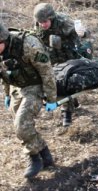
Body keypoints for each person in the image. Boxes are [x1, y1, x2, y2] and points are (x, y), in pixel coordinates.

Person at [0, 23, 57, 178]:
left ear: (3, 40)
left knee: (21, 124)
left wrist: (51, 98)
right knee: (20, 126)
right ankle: (45, 154)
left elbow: (47, 71)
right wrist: (6, 94)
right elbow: (3, 72)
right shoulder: (1, 48)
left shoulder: (29, 44)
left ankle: (34, 159)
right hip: (17, 87)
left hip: (35, 85)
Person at [33, 3, 83, 126]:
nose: (43, 24)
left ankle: (67, 111)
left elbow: (79, 39)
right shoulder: (37, 25)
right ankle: (70, 103)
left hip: (68, 55)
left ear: (51, 18)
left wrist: (81, 33)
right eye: (40, 22)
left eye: (45, 21)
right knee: (58, 81)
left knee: (66, 81)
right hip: (52, 57)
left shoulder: (64, 22)